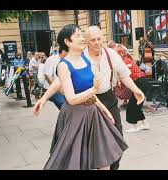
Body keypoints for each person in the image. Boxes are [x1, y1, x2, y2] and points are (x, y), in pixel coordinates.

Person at [33, 26, 145, 170]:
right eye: (92, 40)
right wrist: (44, 98)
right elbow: (61, 82)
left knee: (110, 149)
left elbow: (123, 74)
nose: (97, 42)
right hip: (80, 108)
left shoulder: (107, 55)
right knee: (77, 156)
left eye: (99, 39)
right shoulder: (74, 59)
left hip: (102, 102)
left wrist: (135, 91)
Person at [109, 41, 150, 133]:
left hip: (140, 82)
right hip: (141, 82)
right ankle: (145, 124)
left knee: (132, 106)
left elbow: (124, 74)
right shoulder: (127, 59)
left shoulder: (124, 61)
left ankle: (134, 127)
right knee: (137, 105)